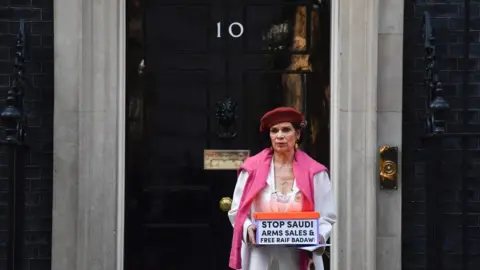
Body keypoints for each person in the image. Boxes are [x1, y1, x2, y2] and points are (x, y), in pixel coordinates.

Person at [227, 107, 336, 270]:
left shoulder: (315, 172)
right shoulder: (250, 169)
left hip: (297, 257)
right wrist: (248, 228)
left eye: (286, 130)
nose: (279, 136)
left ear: (297, 134)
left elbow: (327, 215)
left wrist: (318, 235)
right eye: (274, 131)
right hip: (259, 257)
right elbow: (237, 211)